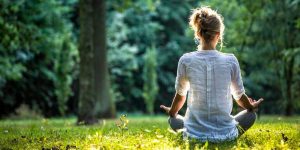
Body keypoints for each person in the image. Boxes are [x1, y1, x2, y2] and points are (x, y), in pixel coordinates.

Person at [160, 6, 263, 142]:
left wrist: (172, 112)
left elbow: (180, 96)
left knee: (172, 119)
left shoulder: (186, 60)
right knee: (251, 115)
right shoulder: (230, 60)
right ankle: (227, 135)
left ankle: (195, 132)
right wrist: (251, 106)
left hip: (193, 136)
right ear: (218, 35)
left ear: (198, 34)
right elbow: (239, 97)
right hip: (226, 134)